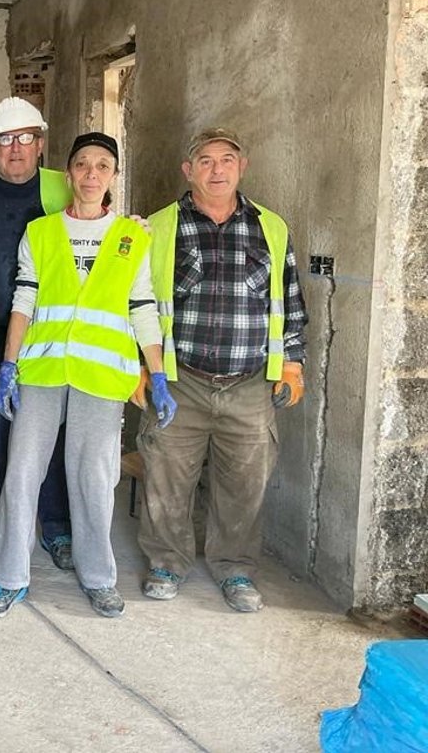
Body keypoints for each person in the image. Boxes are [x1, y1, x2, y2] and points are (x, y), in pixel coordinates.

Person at [0, 133, 176, 620]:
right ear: (68, 174)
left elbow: (142, 307)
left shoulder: (132, 236)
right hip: (43, 370)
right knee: (22, 473)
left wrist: (158, 373)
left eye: (102, 166)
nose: (91, 174)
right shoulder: (42, 232)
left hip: (101, 375)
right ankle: (9, 577)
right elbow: (24, 299)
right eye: (83, 164)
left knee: (94, 477)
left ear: (113, 177)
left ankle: (98, 577)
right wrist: (8, 365)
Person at [137, 128, 307, 613]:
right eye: (206, 161)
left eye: (227, 159)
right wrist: (139, 367)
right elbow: (135, 301)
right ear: (188, 170)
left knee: (245, 482)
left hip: (249, 383)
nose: (217, 170)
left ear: (241, 166)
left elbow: (290, 301)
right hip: (180, 381)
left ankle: (235, 568)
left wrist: (291, 364)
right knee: (167, 477)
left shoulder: (271, 228)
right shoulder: (157, 227)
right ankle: (166, 563)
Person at [0, 97, 75, 572]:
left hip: (51, 339)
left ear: (41, 143)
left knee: (51, 440)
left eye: (26, 138)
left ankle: (56, 527)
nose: (16, 148)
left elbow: (103, 228)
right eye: (6, 140)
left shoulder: (64, 186)